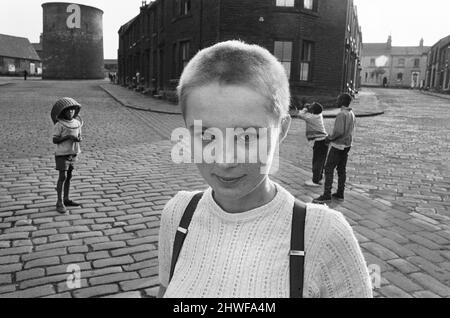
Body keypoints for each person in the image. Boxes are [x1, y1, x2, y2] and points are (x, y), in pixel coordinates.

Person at [157, 41, 372, 298]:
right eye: (206, 135)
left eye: (247, 136)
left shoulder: (323, 236)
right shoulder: (178, 215)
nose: (225, 160)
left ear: (281, 130)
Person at [313, 93, 355, 204]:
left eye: (338, 99)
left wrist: (329, 138)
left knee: (328, 168)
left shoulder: (342, 114)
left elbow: (338, 132)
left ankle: (327, 194)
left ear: (342, 101)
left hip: (338, 145)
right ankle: (340, 193)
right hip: (347, 145)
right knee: (341, 169)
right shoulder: (351, 113)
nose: (337, 100)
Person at [51, 97, 84, 214]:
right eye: (68, 110)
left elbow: (79, 135)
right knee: (62, 177)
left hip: (73, 153)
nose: (71, 112)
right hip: (62, 154)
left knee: (69, 176)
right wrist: (67, 137)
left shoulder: (77, 123)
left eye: (73, 110)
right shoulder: (60, 124)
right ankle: (59, 201)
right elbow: (55, 140)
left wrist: (78, 139)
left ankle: (66, 198)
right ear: (62, 112)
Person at [295, 102, 329, 187]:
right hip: (324, 141)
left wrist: (305, 108)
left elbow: (300, 115)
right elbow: (309, 113)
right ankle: (319, 178)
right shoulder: (318, 115)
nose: (310, 107)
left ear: (313, 110)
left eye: (312, 107)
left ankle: (315, 181)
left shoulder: (311, 117)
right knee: (321, 161)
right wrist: (310, 108)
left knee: (316, 161)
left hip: (320, 142)